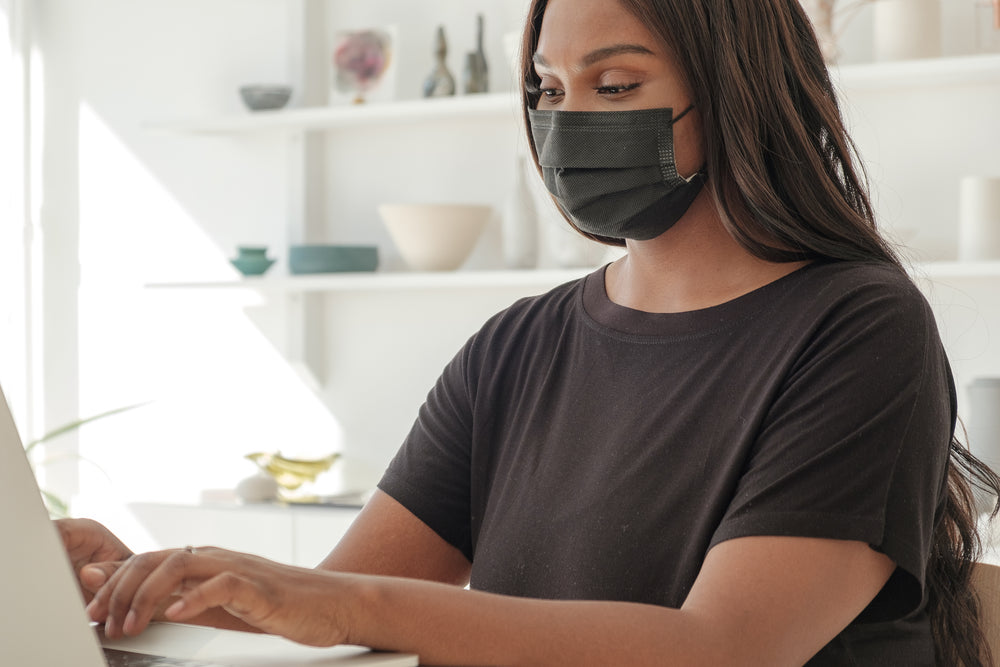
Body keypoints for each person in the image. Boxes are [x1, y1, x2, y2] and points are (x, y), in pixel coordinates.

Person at [59, 0, 1000, 664]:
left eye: (617, 83)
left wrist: (342, 602)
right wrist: (133, 585)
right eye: (548, 88)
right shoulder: (517, 348)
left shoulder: (858, 329)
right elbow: (321, 614)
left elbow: (725, 650)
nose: (568, 119)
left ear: (734, 88)